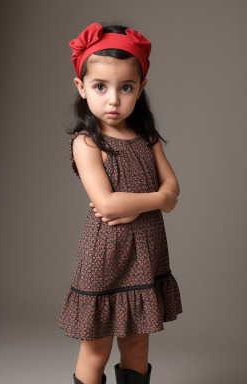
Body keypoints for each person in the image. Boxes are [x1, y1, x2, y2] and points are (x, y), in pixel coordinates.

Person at [56, 22, 183, 384]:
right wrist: (160, 199)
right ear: (82, 88)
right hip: (106, 255)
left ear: (140, 89)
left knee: (137, 345)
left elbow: (174, 189)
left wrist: (158, 198)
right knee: (96, 349)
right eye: (100, 87)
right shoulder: (87, 142)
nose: (113, 99)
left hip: (145, 253)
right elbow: (108, 205)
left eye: (125, 87)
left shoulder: (147, 137)